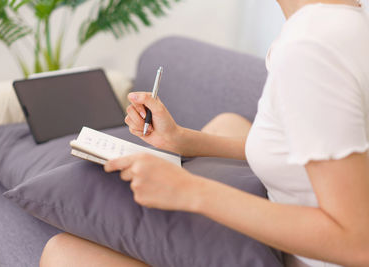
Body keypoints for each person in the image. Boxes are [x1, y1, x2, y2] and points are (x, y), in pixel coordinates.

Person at [39, 0, 369, 266]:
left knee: (63, 254)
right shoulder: (346, 23)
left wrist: (190, 191)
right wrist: (184, 140)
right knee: (228, 120)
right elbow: (302, 148)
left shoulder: (310, 48)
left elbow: (357, 244)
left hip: (310, 255)